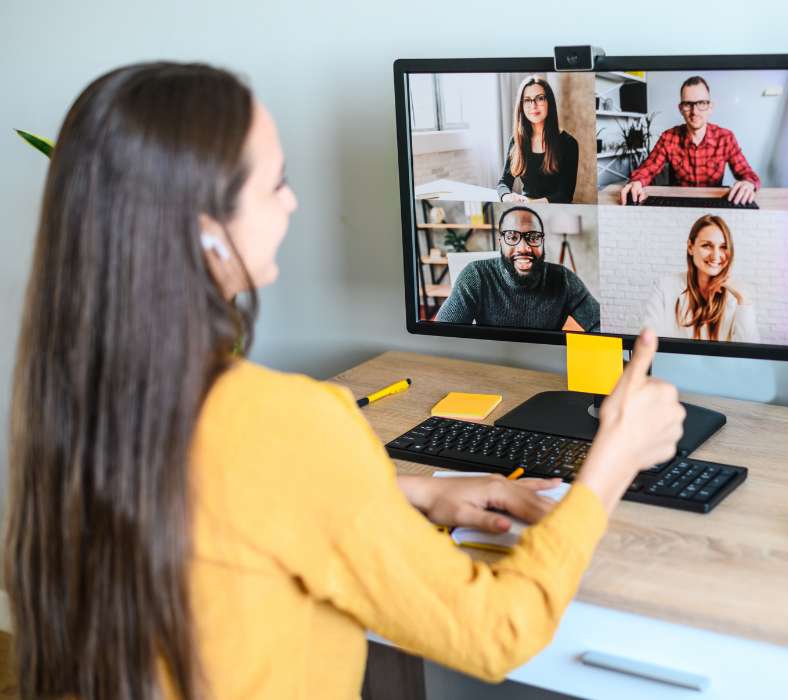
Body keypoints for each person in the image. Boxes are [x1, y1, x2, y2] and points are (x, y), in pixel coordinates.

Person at [5, 62, 685, 700]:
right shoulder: (287, 421)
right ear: (207, 232)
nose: (295, 202)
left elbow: (227, 501)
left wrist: (414, 492)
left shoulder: (75, 403)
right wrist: (612, 462)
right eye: (275, 182)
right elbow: (497, 631)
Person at [435, 206, 600, 330]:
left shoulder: (564, 279)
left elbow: (600, 325)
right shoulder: (476, 275)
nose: (523, 248)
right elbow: (442, 334)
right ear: (500, 242)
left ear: (542, 242)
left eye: (533, 237)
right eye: (512, 237)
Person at [620, 76, 761, 206]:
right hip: (678, 206)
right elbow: (647, 169)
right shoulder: (668, 137)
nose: (694, 111)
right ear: (681, 108)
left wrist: (748, 183)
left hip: (714, 207)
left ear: (710, 107)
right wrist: (636, 182)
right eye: (688, 104)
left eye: (701, 103)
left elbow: (748, 174)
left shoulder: (726, 138)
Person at [643, 214, 760, 342]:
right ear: (690, 247)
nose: (715, 256)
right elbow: (649, 342)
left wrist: (743, 299)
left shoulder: (735, 297)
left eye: (723, 247)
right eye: (707, 245)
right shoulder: (665, 287)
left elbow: (748, 354)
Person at [497, 75, 579, 204]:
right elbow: (503, 182)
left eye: (539, 98)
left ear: (549, 103)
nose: (533, 105)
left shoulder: (569, 143)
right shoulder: (516, 140)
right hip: (526, 213)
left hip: (557, 214)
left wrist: (531, 203)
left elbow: (565, 194)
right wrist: (507, 196)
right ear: (521, 106)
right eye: (527, 100)